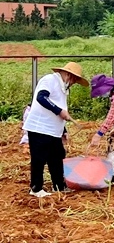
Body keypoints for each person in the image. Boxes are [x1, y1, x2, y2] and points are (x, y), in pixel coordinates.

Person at [24, 62, 88, 197]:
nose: (73, 83)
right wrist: (59, 111)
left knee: (58, 156)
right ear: (69, 75)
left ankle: (59, 185)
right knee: (39, 159)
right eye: (74, 80)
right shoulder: (49, 80)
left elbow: (59, 110)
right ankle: (36, 188)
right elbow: (41, 97)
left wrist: (63, 130)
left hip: (53, 131)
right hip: (39, 128)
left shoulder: (63, 88)